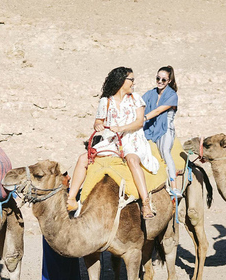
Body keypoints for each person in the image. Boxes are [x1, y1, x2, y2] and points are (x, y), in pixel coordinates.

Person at [66, 67, 159, 219]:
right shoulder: (106, 101)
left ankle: (146, 203)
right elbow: (98, 120)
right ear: (122, 81)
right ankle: (71, 199)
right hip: (112, 139)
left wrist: (121, 128)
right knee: (83, 158)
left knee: (132, 159)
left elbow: (139, 122)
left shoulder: (136, 98)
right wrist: (98, 125)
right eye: (131, 80)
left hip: (132, 138)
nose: (134, 83)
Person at [143, 65, 182, 198]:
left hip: (165, 130)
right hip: (150, 128)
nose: (160, 81)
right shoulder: (150, 93)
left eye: (163, 80)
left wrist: (143, 118)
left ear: (169, 81)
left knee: (165, 152)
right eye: (158, 78)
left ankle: (174, 186)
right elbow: (140, 103)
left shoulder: (172, 96)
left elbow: (158, 111)